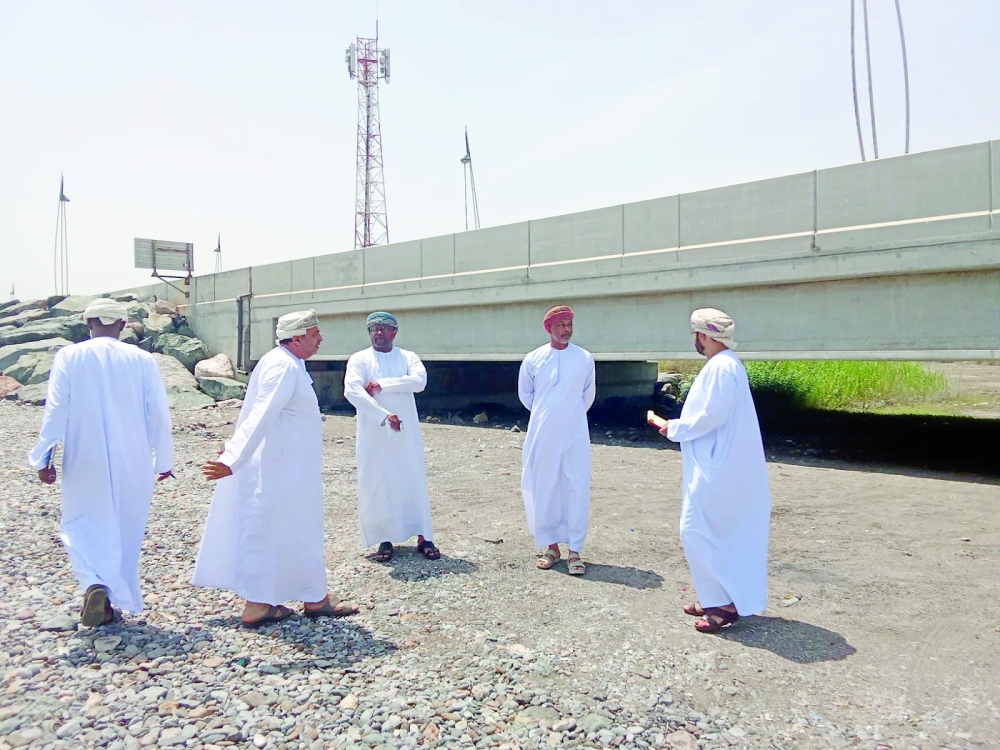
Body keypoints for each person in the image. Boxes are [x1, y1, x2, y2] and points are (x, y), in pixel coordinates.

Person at [192, 309, 357, 628]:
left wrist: (233, 450)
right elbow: (261, 414)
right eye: (314, 334)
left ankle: (297, 598)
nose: (320, 339)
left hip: (289, 468)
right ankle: (280, 602)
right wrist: (233, 458)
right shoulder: (283, 366)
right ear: (296, 338)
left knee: (288, 532)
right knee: (286, 531)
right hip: (283, 471)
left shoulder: (284, 362)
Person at [28, 298, 174, 627]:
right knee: (125, 527)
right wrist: (164, 460)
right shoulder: (143, 359)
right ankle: (111, 594)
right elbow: (158, 414)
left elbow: (56, 411)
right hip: (133, 459)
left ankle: (94, 584)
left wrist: (43, 456)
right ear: (122, 326)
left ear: (89, 323)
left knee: (80, 523)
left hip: (85, 457)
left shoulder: (69, 356)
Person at [654, 308, 771, 633]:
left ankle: (722, 606)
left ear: (703, 336)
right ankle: (714, 597)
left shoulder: (722, 368)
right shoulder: (725, 365)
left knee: (697, 531)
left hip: (719, 468)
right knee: (713, 533)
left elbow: (711, 416)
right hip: (721, 464)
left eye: (696, 335)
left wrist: (671, 428)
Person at [343, 311, 438, 562]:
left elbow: (419, 381)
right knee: (378, 481)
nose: (379, 332)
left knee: (412, 477)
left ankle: (423, 536)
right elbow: (352, 390)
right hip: (374, 431)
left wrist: (383, 384)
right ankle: (384, 539)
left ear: (394, 332)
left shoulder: (408, 357)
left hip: (406, 433)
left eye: (384, 328)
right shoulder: (359, 359)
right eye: (374, 328)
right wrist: (383, 415)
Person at [518, 305, 596, 575]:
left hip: (575, 433)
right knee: (546, 486)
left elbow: (587, 396)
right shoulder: (533, 358)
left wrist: (567, 416)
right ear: (549, 328)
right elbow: (526, 396)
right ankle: (551, 547)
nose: (566, 329)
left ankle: (575, 551)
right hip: (543, 433)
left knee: (575, 486)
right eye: (561, 325)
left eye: (569, 324)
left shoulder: (585, 358)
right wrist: (547, 417)